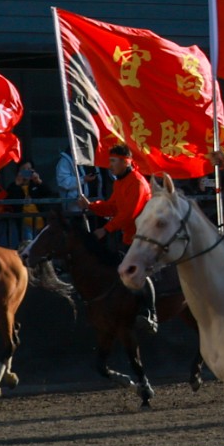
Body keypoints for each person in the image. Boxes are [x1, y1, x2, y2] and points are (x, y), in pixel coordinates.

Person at [81, 143, 159, 333]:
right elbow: (113, 207)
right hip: (128, 237)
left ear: (126, 162)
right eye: (110, 161)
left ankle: (151, 313)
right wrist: (91, 206)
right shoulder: (119, 182)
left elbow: (129, 214)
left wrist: (106, 229)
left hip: (143, 238)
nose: (110, 165)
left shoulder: (138, 182)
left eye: (113, 161)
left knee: (137, 272)